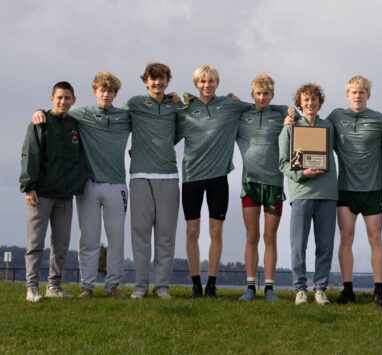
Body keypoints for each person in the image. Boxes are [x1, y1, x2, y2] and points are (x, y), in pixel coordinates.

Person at [32, 72, 131, 299]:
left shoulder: (126, 116)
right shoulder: (80, 114)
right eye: (101, 90)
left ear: (116, 94)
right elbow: (57, 112)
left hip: (117, 186)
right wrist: (39, 111)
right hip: (88, 186)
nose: (106, 94)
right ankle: (87, 287)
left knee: (116, 238)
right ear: (94, 91)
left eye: (110, 91)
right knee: (88, 238)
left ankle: (112, 287)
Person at [177, 65, 253, 298]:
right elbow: (163, 135)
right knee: (192, 231)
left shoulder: (229, 105)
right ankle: (195, 285)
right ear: (196, 84)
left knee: (216, 231)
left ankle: (211, 284)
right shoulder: (186, 109)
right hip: (191, 177)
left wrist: (291, 111)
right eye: (202, 82)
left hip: (218, 178)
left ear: (217, 83)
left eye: (210, 81)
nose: (206, 85)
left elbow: (261, 107)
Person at [326, 76, 382, 306]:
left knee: (376, 237)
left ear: (368, 95)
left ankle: (379, 291)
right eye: (354, 92)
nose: (358, 95)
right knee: (346, 238)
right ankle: (347, 291)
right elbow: (315, 131)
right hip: (345, 189)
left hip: (373, 189)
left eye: (362, 92)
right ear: (347, 94)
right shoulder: (336, 117)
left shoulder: (380, 120)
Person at [20, 81, 89, 302]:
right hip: (41, 194)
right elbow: (30, 155)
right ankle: (32, 288)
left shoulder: (75, 125)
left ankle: (54, 286)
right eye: (59, 97)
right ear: (52, 99)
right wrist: (29, 186)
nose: (63, 101)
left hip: (65, 195)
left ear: (74, 100)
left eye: (67, 98)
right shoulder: (40, 123)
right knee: (35, 243)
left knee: (61, 244)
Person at [125, 62, 184, 299]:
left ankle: (162, 287)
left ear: (168, 81)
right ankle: (140, 286)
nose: (158, 83)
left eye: (162, 79)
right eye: (153, 79)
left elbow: (182, 130)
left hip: (168, 175)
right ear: (145, 81)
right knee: (140, 232)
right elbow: (114, 120)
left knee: (166, 234)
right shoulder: (135, 103)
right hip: (140, 175)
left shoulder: (176, 106)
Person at [278, 83, 338, 305]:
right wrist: (302, 173)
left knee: (325, 245)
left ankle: (320, 289)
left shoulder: (330, 126)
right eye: (306, 100)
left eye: (314, 99)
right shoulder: (289, 129)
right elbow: (283, 164)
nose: (310, 103)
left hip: (328, 194)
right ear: (299, 103)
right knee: (298, 245)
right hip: (301, 193)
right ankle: (300, 289)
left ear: (319, 102)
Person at [235, 74, 289, 301]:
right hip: (250, 183)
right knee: (252, 235)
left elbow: (291, 109)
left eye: (266, 94)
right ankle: (249, 287)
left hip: (274, 184)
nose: (262, 97)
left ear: (272, 95)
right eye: (258, 94)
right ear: (252, 95)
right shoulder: (242, 116)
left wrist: (289, 113)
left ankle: (269, 287)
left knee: (270, 236)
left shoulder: (280, 115)